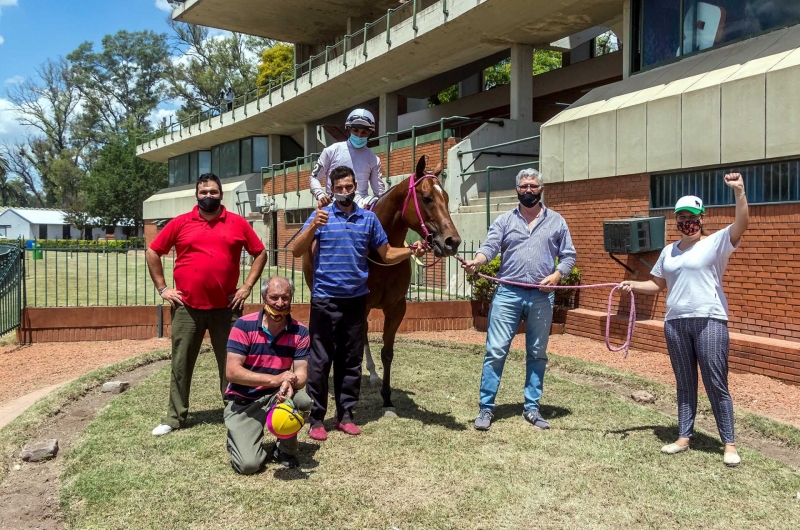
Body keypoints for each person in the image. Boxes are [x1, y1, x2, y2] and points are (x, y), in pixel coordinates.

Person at [621, 173, 748, 467]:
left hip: (710, 320)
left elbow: (743, 223)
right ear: (675, 220)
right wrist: (631, 284)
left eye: (691, 216)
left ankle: (729, 443)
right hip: (675, 323)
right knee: (685, 382)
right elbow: (656, 284)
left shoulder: (717, 242)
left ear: (702, 217)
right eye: (681, 216)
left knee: (716, 382)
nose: (686, 221)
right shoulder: (669, 251)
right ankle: (683, 437)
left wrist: (739, 192)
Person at [292, 165, 427, 440]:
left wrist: (411, 250)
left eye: (349, 187)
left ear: (355, 188)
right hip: (325, 299)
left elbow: (387, 253)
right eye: (339, 187)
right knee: (320, 360)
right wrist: (312, 228)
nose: (344, 192)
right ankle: (317, 419)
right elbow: (296, 249)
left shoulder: (368, 219)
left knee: (350, 361)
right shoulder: (321, 216)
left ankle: (345, 415)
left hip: (356, 300)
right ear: (331, 189)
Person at [147, 173, 267, 436]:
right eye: (204, 192)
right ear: (196, 195)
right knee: (181, 362)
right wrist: (163, 288)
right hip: (187, 308)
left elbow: (260, 252)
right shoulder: (180, 223)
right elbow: (153, 251)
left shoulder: (237, 223)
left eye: (213, 192)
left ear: (221, 194)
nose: (208, 197)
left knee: (231, 362)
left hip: (226, 308)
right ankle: (175, 417)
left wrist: (247, 286)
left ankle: (234, 410)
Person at [462, 168, 576, 432]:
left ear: (541, 189)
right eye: (524, 186)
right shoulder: (504, 220)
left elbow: (569, 256)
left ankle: (532, 408)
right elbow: (489, 248)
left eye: (533, 186)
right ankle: (486, 408)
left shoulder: (557, 221)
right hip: (507, 294)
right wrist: (477, 261)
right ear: (517, 189)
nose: (528, 190)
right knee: (495, 351)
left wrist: (558, 275)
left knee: (537, 353)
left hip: (541, 296)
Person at [224, 276, 311, 474]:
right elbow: (232, 372)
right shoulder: (243, 326)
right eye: (274, 297)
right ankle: (238, 439)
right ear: (264, 297)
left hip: (277, 396)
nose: (280, 303)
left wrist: (290, 381)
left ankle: (284, 450)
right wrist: (275, 379)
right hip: (245, 401)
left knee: (303, 400)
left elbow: (302, 373)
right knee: (249, 465)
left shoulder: (300, 331)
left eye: (285, 298)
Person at [309, 109, 384, 209]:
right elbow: (314, 177)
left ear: (370, 134)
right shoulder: (330, 151)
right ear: (348, 129)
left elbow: (379, 192)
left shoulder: (374, 159)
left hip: (362, 203)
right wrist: (320, 195)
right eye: (355, 130)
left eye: (364, 132)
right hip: (334, 201)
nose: (359, 135)